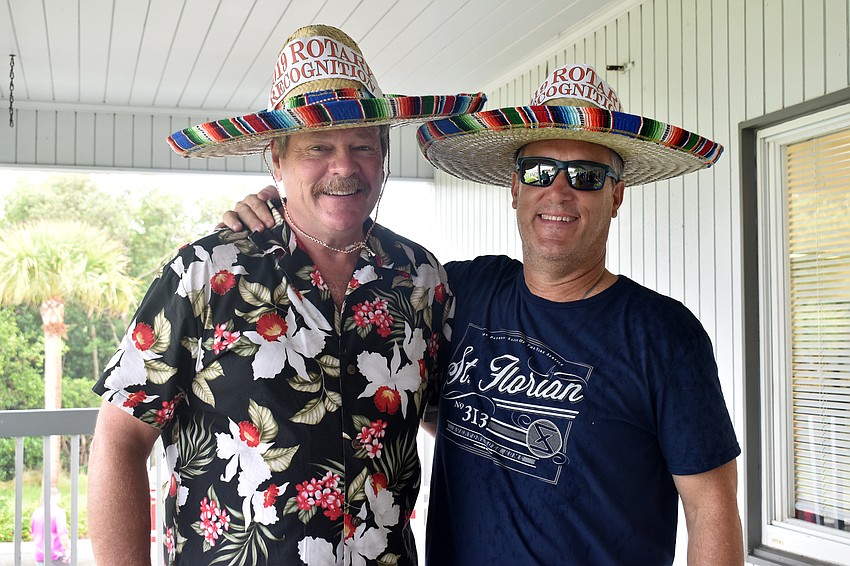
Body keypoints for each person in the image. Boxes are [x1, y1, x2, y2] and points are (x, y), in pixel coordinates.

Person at [222, 63, 744, 565]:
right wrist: (276, 214)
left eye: (586, 176)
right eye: (539, 172)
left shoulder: (665, 335)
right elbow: (407, 392)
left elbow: (711, 509)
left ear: (616, 195)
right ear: (515, 188)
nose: (558, 191)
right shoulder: (461, 291)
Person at [88, 24, 485, 566]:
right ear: (277, 158)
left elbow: (447, 415)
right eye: (318, 146)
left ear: (384, 154)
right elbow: (119, 439)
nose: (344, 166)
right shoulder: (207, 273)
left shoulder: (420, 280)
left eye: (362, 145)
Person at [30, 487, 70, 565]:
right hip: (55, 555)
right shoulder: (58, 512)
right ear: (57, 496)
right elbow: (62, 533)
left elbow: (33, 532)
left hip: (39, 555)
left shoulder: (36, 512)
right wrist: (67, 550)